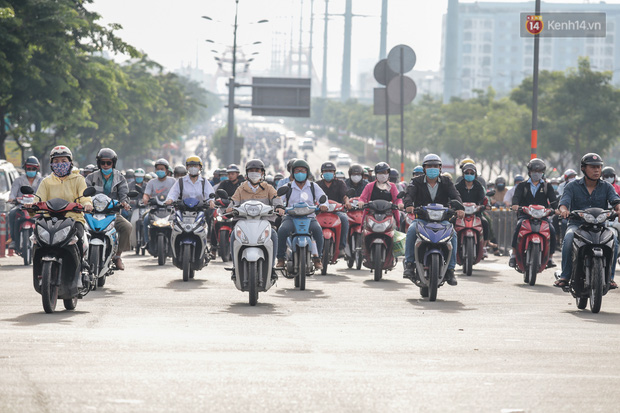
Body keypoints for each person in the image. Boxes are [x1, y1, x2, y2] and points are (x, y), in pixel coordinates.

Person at [554, 153, 620, 289]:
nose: (597, 170)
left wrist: (618, 209)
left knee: (614, 238)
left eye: (599, 167)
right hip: (577, 225)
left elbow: (616, 202)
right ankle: (565, 276)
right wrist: (564, 210)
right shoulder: (572, 186)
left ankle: (610, 277)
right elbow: (563, 203)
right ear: (583, 168)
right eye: (593, 167)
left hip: (600, 226)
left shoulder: (607, 187)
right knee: (568, 237)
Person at [30, 146, 93, 286]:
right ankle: (39, 271)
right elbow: (38, 200)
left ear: (70, 162)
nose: (60, 164)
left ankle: (81, 270)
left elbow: (84, 196)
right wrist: (31, 206)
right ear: (51, 164)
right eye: (56, 161)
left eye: (63, 160)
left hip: (73, 219)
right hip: (48, 220)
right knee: (36, 241)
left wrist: (87, 203)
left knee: (79, 241)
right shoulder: (46, 181)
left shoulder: (78, 179)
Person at [402, 154, 463, 285]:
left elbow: (455, 195)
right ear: (424, 168)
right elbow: (409, 195)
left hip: (443, 221)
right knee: (412, 230)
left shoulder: (447, 182)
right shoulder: (416, 181)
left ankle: (451, 270)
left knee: (454, 235)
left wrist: (460, 207)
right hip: (422, 220)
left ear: (440, 168)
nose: (432, 168)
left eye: (435, 166)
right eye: (429, 166)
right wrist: (409, 205)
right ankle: (409, 264)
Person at [226, 159, 282, 275]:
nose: (254, 173)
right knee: (233, 236)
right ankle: (235, 267)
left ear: (262, 173)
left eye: (257, 170)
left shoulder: (268, 188)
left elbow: (277, 199)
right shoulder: (241, 188)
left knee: (274, 235)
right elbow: (234, 202)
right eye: (251, 170)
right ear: (247, 173)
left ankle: (271, 268)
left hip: (264, 222)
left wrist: (279, 207)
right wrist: (230, 208)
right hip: (244, 222)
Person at [275, 159, 328, 270]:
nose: (300, 173)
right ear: (293, 173)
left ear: (307, 172)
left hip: (309, 217)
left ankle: (317, 258)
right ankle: (280, 258)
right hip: (291, 217)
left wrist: (324, 205)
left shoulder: (313, 186)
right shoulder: (288, 186)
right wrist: (280, 207)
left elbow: (323, 198)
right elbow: (278, 198)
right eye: (297, 171)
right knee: (282, 230)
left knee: (318, 231)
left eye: (303, 171)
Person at [85, 148, 132, 270]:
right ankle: (81, 255)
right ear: (99, 163)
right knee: (78, 226)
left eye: (108, 163)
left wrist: (125, 203)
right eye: (103, 163)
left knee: (127, 227)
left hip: (112, 214)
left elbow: (124, 194)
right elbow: (83, 193)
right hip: (92, 214)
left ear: (113, 163)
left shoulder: (120, 178)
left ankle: (117, 256)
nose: (105, 165)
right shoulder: (91, 177)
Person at [508, 158, 557, 268]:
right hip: (525, 215)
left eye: (539, 172)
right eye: (534, 171)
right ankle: (514, 255)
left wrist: (557, 209)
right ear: (529, 172)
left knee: (552, 230)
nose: (537, 174)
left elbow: (553, 200)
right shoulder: (522, 185)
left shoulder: (546, 186)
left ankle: (550, 258)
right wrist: (515, 205)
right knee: (519, 227)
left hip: (543, 216)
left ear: (542, 173)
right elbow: (516, 197)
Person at [454, 162, 496, 255]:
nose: (469, 175)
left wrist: (484, 205)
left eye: (471, 173)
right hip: (460, 214)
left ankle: (484, 246)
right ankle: (450, 245)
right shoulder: (457, 186)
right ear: (463, 174)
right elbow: (453, 197)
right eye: (467, 173)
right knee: (451, 223)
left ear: (475, 174)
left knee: (485, 223)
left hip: (476, 213)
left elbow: (483, 198)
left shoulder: (479, 187)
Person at [8, 156, 44, 250]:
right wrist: (12, 199)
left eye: (33, 168)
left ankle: (45, 240)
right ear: (25, 168)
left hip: (37, 208)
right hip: (21, 207)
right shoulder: (18, 180)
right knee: (11, 214)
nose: (31, 170)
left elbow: (45, 193)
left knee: (46, 217)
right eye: (29, 168)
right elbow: (13, 193)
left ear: (37, 169)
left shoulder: (42, 181)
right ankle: (14, 239)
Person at [317, 161, 351, 256]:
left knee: (344, 219)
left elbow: (345, 196)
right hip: (320, 212)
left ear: (334, 173)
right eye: (326, 171)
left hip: (336, 211)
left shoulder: (340, 183)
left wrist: (347, 203)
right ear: (322, 173)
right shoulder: (317, 184)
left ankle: (341, 247)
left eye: (330, 171)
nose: (328, 173)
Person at [141, 159, 176, 249]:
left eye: (162, 169)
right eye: (158, 169)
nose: (160, 171)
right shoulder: (151, 182)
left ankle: (177, 242)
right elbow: (146, 194)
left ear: (167, 170)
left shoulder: (173, 181)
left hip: (170, 209)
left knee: (178, 221)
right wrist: (145, 199)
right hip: (155, 209)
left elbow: (178, 192)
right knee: (145, 219)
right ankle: (147, 242)